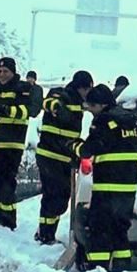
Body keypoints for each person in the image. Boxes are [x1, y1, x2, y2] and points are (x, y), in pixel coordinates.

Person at [70, 84, 137, 272]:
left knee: (100, 229)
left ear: (100, 105)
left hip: (107, 185)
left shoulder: (103, 121)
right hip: (127, 188)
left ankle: (97, 270)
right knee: (120, 229)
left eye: (91, 107)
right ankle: (122, 269)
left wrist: (74, 147)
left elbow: (89, 149)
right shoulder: (129, 122)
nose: (90, 111)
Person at [34, 70, 93, 245]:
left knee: (58, 195)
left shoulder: (79, 101)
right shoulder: (61, 95)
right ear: (83, 87)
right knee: (55, 195)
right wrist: (58, 108)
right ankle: (45, 235)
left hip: (63, 156)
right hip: (50, 155)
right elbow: (48, 102)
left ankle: (45, 233)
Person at [0, 57, 41, 230]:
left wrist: (4, 108)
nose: (2, 75)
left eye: (6, 72)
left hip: (12, 142)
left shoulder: (22, 88)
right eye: (0, 71)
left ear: (13, 72)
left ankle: (9, 218)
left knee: (6, 180)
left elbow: (28, 111)